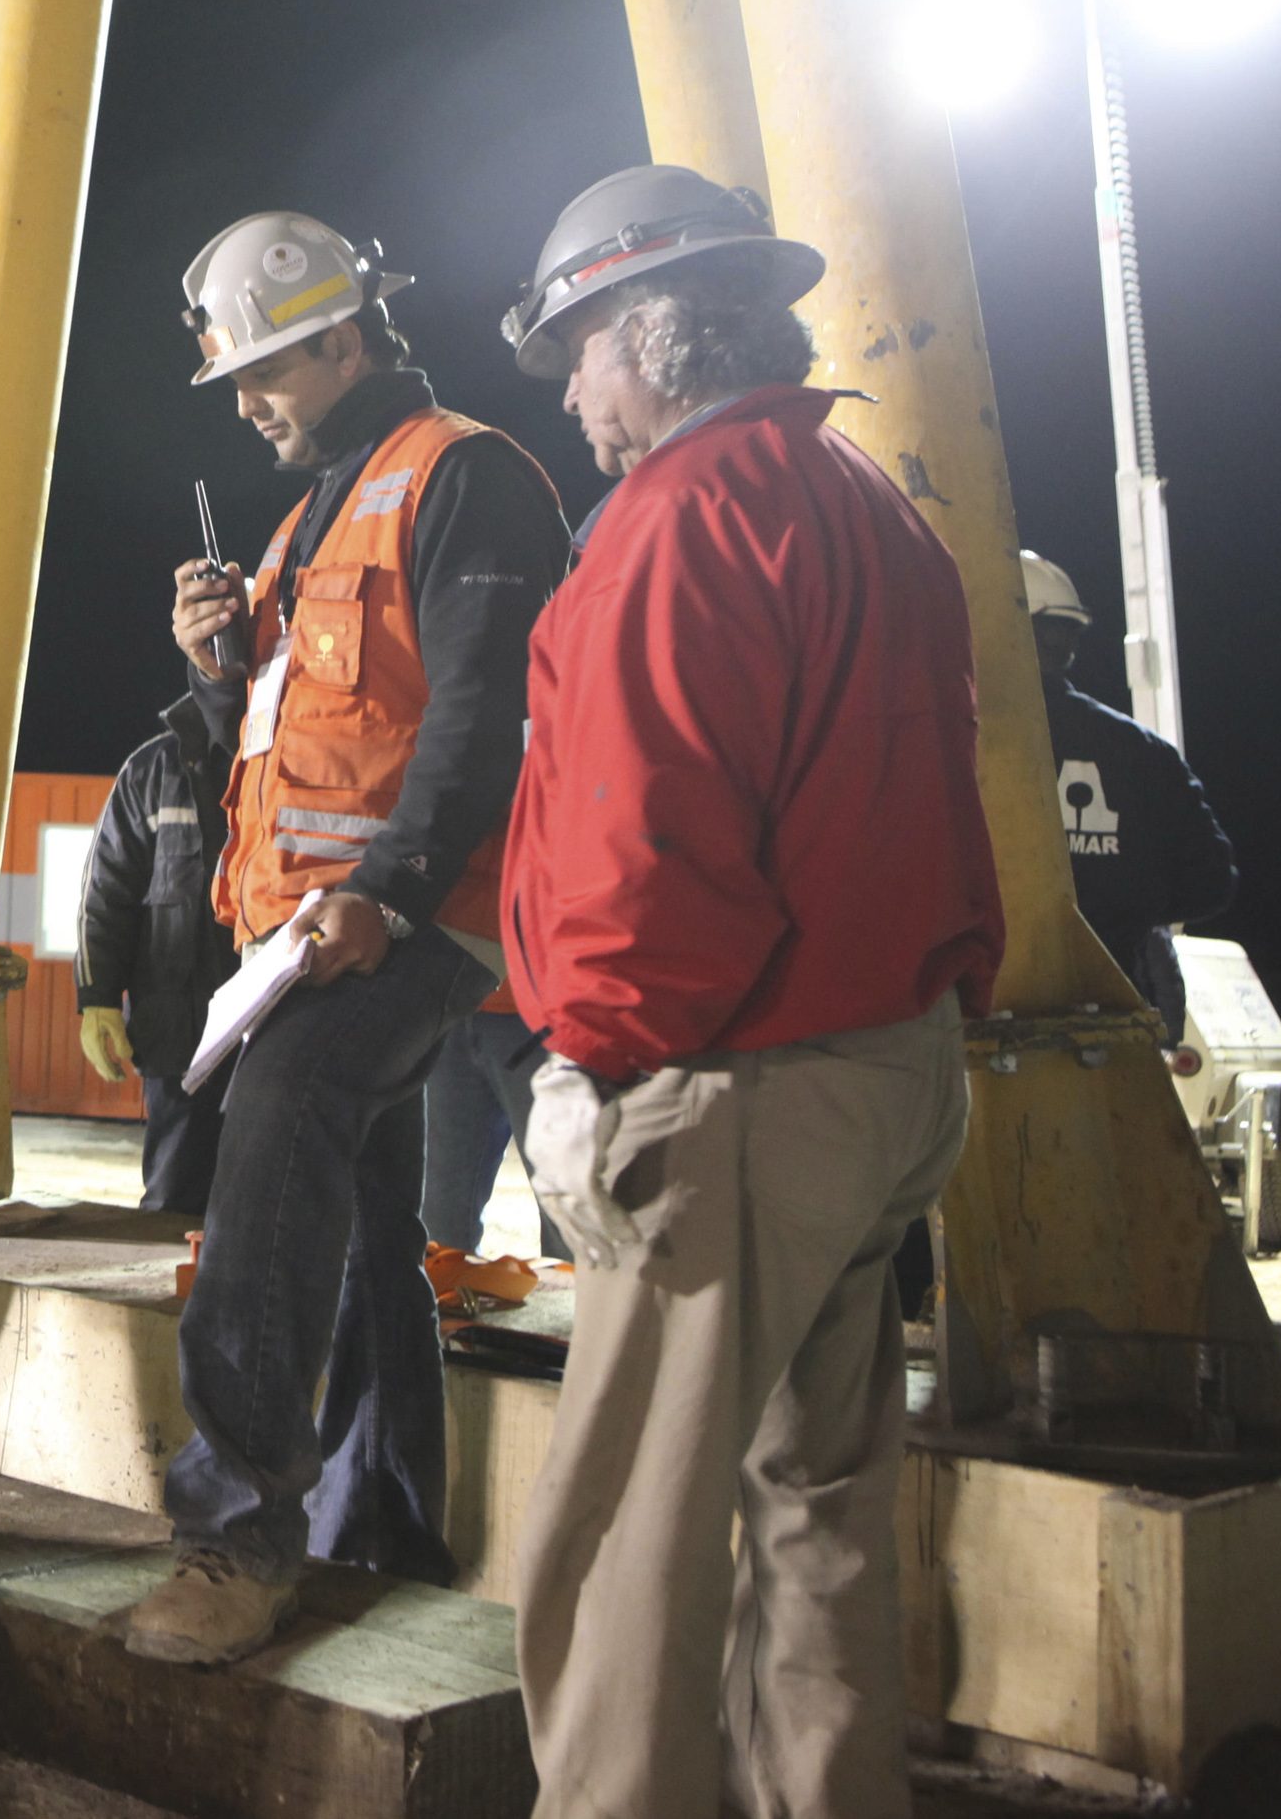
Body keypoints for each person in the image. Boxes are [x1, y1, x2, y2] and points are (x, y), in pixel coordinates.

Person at [495, 164, 1004, 1819]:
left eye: (580, 349)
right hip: (888, 1074)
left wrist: (588, 1069)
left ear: (657, 336)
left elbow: (646, 853)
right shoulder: (869, 506)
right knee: (824, 1513)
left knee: (630, 1532)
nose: (573, 390)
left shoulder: (671, 527)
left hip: (732, 1090)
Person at [129, 211, 565, 1664]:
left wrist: (386, 888)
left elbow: (480, 713)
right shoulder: (308, 517)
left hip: (420, 911)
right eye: (233, 375)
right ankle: (380, 1528)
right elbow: (281, 741)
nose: (247, 398)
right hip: (315, 929)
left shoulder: (463, 474)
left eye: (268, 368)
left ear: (342, 337)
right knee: (372, 1216)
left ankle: (235, 1531)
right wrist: (217, 674)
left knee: (289, 1112)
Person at [1024, 549, 1236, 1040]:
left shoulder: (952, 740)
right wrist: (1121, 907)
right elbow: (1212, 880)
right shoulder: (1140, 751)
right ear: (1067, 638)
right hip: (1115, 1022)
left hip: (977, 1020)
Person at [72, 701, 233, 1212]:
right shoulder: (152, 771)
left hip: (272, 1030)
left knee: (267, 1204)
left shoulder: (294, 754)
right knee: (174, 1196)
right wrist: (97, 998)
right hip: (178, 1032)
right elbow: (106, 892)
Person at [419, 1001, 561, 1259]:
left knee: (568, 1206)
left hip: (543, 1009)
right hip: (448, 1000)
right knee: (440, 1221)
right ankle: (450, 1296)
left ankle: (577, 1297)